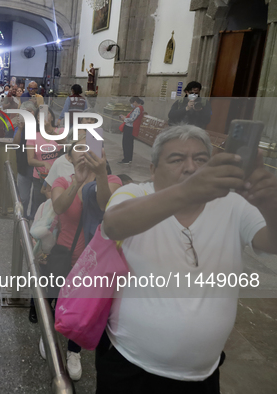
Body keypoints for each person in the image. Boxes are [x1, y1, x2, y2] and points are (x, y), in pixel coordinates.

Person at [98, 125, 277, 393]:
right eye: (177, 159)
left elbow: (270, 242)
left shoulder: (233, 205)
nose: (191, 168)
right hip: (129, 367)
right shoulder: (136, 193)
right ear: (152, 169)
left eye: (201, 160)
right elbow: (113, 224)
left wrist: (270, 204)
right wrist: (187, 192)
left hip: (201, 377)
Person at [47, 138, 122, 381]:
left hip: (92, 262)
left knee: (81, 308)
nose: (84, 154)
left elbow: (105, 205)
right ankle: (47, 334)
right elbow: (59, 207)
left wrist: (99, 174)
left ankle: (73, 350)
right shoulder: (61, 181)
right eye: (79, 149)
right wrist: (77, 182)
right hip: (64, 254)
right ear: (69, 157)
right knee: (56, 298)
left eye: (90, 149)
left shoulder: (112, 181)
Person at [26, 105, 64, 217]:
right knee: (38, 206)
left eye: (46, 114)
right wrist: (43, 163)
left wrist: (50, 131)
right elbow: (30, 160)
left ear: (52, 117)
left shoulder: (60, 131)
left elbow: (66, 145)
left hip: (59, 177)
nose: (43, 117)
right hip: (40, 177)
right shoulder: (33, 135)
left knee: (56, 206)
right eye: (39, 116)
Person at [118, 96, 145, 164]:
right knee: (129, 144)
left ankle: (126, 159)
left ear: (135, 102)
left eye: (132, 103)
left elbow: (132, 119)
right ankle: (128, 158)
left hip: (130, 128)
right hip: (131, 127)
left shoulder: (137, 109)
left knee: (126, 144)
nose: (132, 105)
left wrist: (124, 119)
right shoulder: (138, 108)